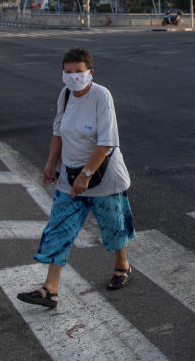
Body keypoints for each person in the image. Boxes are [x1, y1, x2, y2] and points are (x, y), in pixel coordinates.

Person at [17, 46, 135, 309]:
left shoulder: (101, 96)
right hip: (70, 177)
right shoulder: (66, 95)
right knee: (59, 229)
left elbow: (106, 142)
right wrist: (50, 165)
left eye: (78, 72)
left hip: (103, 176)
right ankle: (50, 289)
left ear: (90, 72)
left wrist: (86, 174)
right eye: (68, 72)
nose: (73, 77)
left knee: (114, 226)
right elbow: (58, 131)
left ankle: (122, 265)